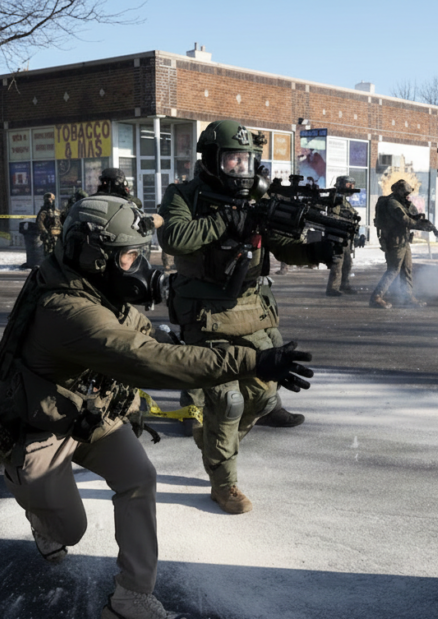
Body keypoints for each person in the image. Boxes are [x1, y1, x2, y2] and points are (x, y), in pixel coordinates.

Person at [0, 195, 313, 619]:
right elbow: (148, 360)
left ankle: (131, 597)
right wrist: (252, 360)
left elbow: (149, 337)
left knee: (139, 477)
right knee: (70, 531)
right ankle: (37, 505)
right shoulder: (69, 310)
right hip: (39, 427)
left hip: (87, 413)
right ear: (96, 256)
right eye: (130, 256)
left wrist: (210, 344)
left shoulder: (91, 286)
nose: (139, 268)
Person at [158, 119, 340, 513]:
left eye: (245, 161)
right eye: (231, 161)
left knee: (263, 396)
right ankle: (224, 483)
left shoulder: (258, 198)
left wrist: (314, 252)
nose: (239, 169)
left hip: (252, 311)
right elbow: (174, 237)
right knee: (228, 401)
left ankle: (213, 442)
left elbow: (283, 244)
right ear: (210, 161)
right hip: (204, 314)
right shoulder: (183, 195)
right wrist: (226, 220)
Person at [370, 179, 437, 309]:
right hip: (394, 241)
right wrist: (419, 225)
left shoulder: (401, 203)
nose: (408, 195)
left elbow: (411, 216)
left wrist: (419, 220)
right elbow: (404, 219)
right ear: (399, 191)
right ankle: (376, 297)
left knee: (407, 269)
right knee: (393, 270)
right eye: (406, 192)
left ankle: (408, 297)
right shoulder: (393, 203)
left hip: (403, 240)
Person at [325, 176, 359, 296]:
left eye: (352, 184)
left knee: (347, 262)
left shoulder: (343, 199)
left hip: (344, 235)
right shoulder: (336, 197)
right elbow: (334, 215)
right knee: (338, 261)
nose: (351, 187)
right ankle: (332, 288)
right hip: (337, 234)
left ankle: (344, 285)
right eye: (348, 184)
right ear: (340, 184)